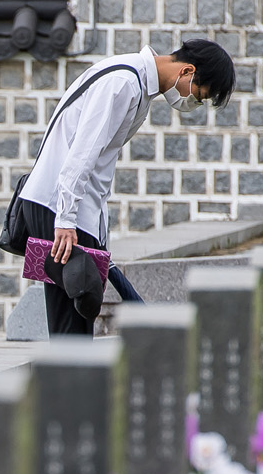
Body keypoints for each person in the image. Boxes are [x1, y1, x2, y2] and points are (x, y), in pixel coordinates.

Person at [17, 39, 236, 334]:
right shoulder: (124, 83)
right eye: (198, 95)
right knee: (72, 328)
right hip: (60, 209)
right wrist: (66, 219)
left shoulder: (133, 81)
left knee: (76, 322)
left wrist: (97, 234)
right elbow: (82, 155)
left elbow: (98, 167)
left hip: (64, 208)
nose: (192, 103)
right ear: (187, 71)